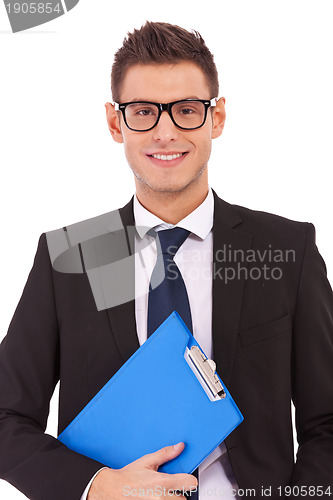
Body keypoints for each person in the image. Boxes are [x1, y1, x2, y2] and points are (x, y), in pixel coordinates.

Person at [0, 21, 332, 500]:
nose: (165, 131)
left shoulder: (284, 249)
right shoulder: (75, 256)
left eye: (186, 110)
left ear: (216, 117)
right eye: (143, 112)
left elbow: (328, 420)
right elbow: (8, 418)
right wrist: (97, 487)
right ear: (116, 124)